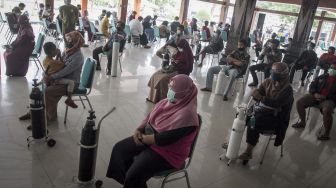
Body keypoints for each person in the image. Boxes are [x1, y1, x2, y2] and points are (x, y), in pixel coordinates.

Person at [106, 74, 199, 188]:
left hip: (168, 152)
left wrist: (142, 138)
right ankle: (129, 184)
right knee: (119, 150)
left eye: (172, 89)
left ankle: (131, 182)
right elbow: (149, 117)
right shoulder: (167, 102)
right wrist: (138, 129)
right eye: (169, 87)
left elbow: (165, 139)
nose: (169, 91)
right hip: (149, 138)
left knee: (134, 174)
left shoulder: (187, 115)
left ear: (183, 93)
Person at [19, 31, 84, 121]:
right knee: (40, 90)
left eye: (71, 41)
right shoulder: (68, 52)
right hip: (61, 79)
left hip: (71, 82)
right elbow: (58, 65)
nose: (68, 42)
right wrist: (58, 57)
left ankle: (46, 118)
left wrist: (51, 77)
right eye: (68, 40)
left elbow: (65, 71)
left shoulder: (78, 57)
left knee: (47, 92)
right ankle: (32, 113)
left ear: (76, 42)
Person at [239, 62, 293, 160]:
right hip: (262, 111)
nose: (272, 73)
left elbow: (276, 103)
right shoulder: (268, 81)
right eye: (272, 70)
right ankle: (234, 143)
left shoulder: (287, 89)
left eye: (276, 71)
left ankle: (248, 151)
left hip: (276, 117)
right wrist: (256, 93)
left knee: (253, 122)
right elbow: (258, 93)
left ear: (284, 74)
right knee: (241, 115)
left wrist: (261, 98)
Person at [293, 64, 336, 140]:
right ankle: (302, 122)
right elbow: (312, 85)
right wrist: (315, 93)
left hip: (328, 99)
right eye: (331, 68)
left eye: (334, 69)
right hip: (315, 95)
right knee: (299, 102)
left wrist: (325, 97)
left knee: (327, 110)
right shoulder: (323, 76)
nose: (332, 70)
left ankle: (326, 134)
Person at [147, 39, 194, 103]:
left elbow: (187, 68)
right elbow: (162, 55)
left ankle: (162, 99)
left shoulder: (188, 55)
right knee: (155, 75)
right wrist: (171, 62)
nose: (179, 48)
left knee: (163, 79)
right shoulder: (177, 51)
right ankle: (152, 97)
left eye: (180, 47)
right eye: (178, 47)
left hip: (181, 71)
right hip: (173, 68)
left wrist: (176, 64)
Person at [42, 42, 77, 108]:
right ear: (52, 52)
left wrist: (57, 55)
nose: (57, 50)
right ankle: (69, 98)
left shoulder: (45, 60)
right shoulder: (53, 62)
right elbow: (63, 65)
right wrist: (59, 55)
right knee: (71, 82)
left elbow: (55, 63)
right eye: (55, 50)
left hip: (50, 78)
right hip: (55, 79)